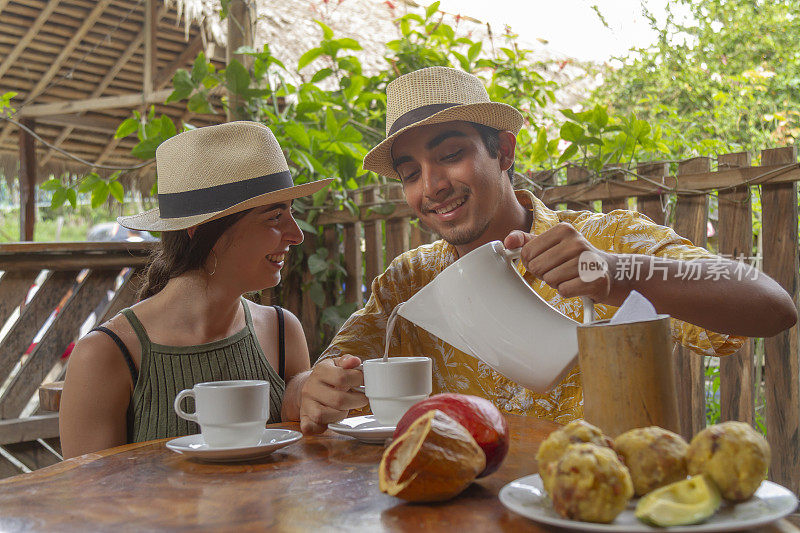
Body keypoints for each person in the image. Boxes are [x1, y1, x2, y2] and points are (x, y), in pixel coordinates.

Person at [285, 66, 797, 434]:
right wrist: (317, 388)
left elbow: (772, 305)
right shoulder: (407, 281)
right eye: (411, 173)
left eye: (451, 155)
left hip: (595, 504)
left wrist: (616, 272)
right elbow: (328, 376)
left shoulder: (605, 240)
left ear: (503, 152)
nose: (432, 186)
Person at [60, 121, 331, 458]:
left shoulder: (282, 332)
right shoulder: (105, 356)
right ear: (203, 230)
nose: (297, 234)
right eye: (275, 217)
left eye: (291, 212)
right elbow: (90, 502)